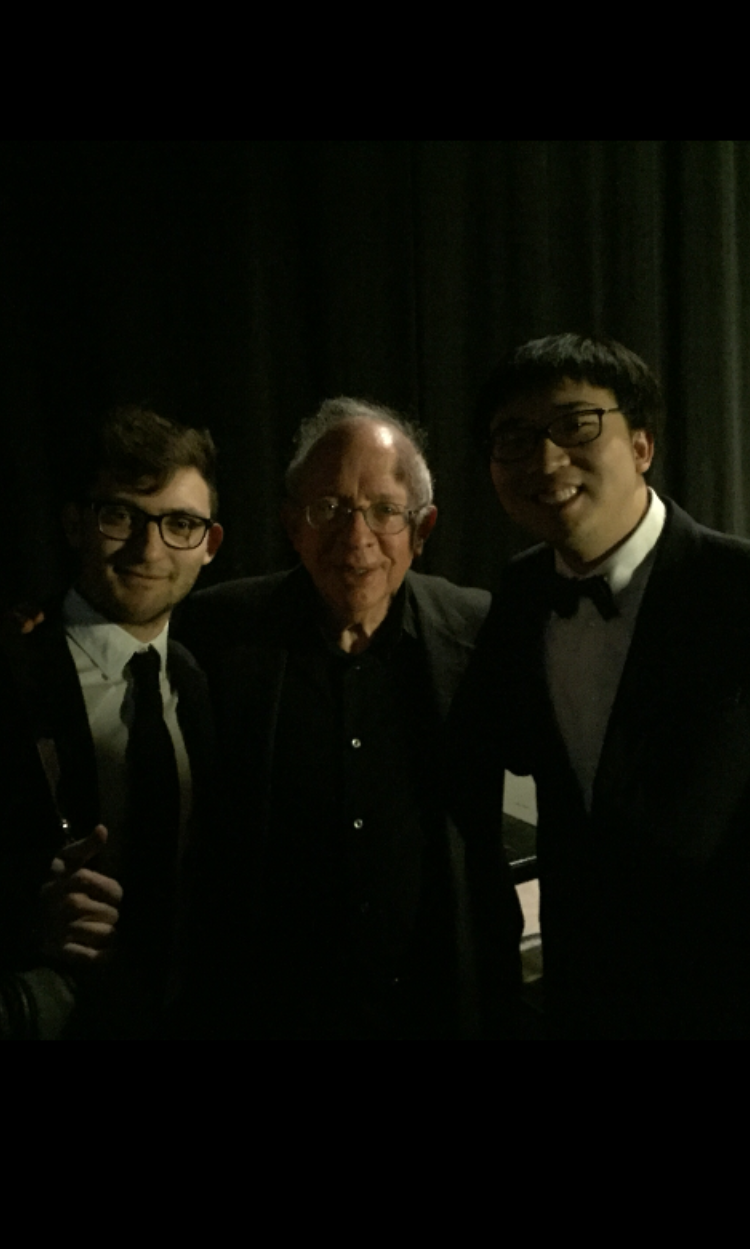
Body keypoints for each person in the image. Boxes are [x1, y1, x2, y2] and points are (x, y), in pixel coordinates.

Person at [176, 397, 521, 1039]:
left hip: (438, 1006)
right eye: (328, 509)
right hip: (273, 1012)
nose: (355, 538)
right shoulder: (215, 632)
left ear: (422, 531)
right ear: (292, 524)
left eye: (385, 511)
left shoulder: (478, 632)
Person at [463, 331, 750, 1039]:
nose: (545, 458)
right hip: (583, 992)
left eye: (575, 425)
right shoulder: (520, 594)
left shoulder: (739, 589)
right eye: (516, 437)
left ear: (643, 445)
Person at [0, 405, 223, 1038]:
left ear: (209, 545)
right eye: (121, 514)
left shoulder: (202, 679)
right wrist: (24, 919)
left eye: (180, 522)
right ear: (76, 522)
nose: (149, 549)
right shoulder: (10, 669)